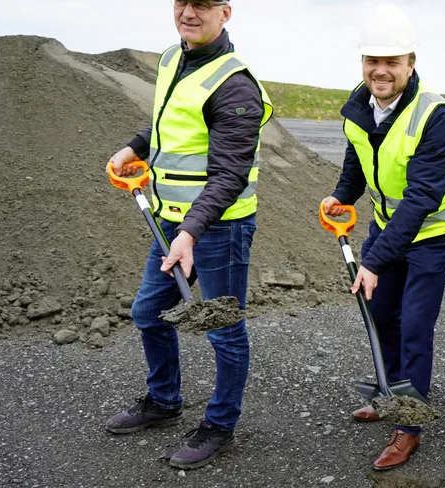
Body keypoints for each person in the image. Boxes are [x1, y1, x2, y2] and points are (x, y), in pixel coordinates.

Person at [105, 0, 273, 471]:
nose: (189, 12)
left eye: (201, 4)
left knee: (223, 329)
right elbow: (166, 123)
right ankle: (164, 399)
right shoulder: (172, 58)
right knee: (148, 311)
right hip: (171, 221)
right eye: (182, 2)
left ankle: (220, 426)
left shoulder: (235, 85)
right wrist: (133, 146)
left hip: (219, 228)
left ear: (225, 12)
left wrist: (191, 234)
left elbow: (229, 174)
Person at [320, 3, 445, 472]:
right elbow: (356, 156)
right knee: (381, 313)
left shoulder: (436, 116)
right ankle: (389, 392)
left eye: (391, 61)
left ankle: (409, 427)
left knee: (414, 326)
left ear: (410, 63)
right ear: (362, 63)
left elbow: (423, 198)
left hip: (433, 230)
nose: (380, 71)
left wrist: (374, 260)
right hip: (388, 225)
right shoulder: (360, 103)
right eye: (372, 61)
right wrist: (342, 196)